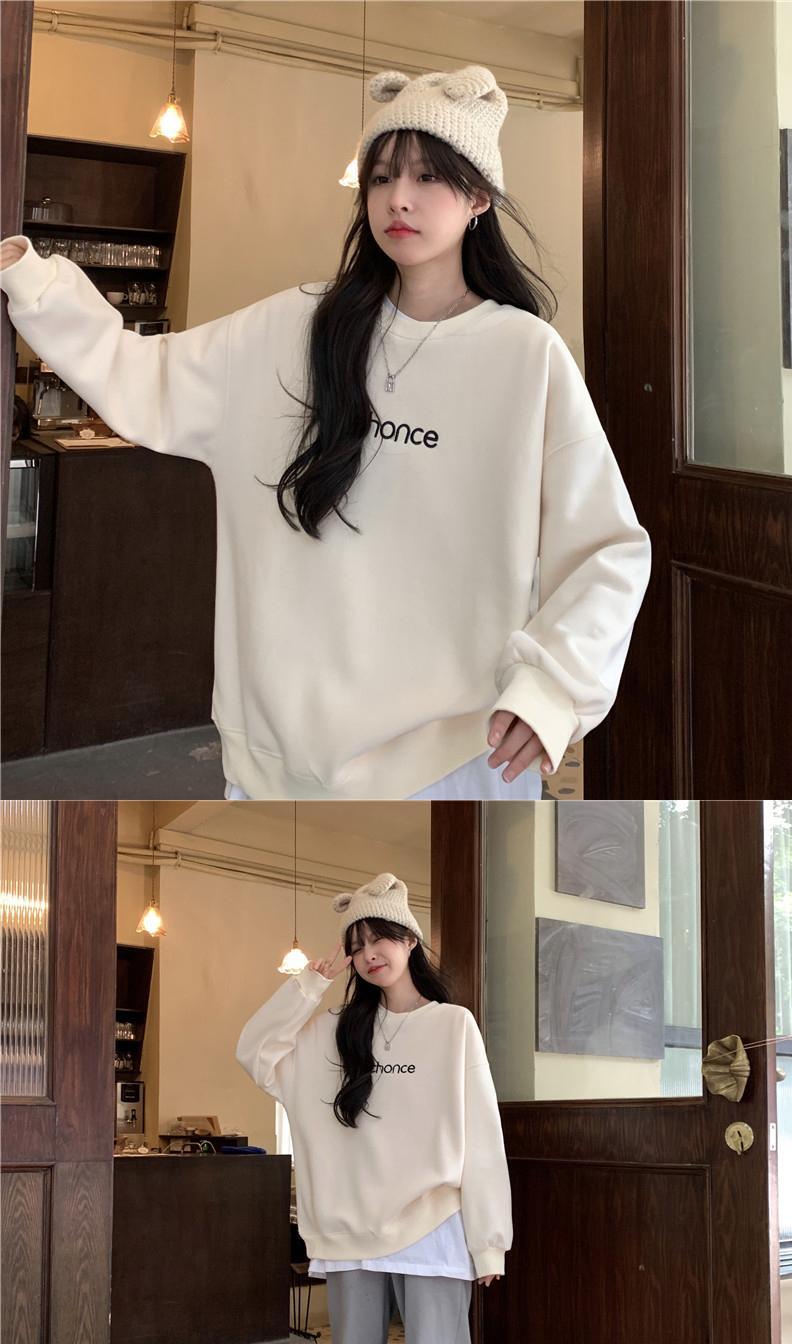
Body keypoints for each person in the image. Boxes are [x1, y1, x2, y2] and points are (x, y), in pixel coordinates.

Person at [0, 63, 651, 804]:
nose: (398, 198)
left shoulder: (526, 357)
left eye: (428, 177)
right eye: (381, 177)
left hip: (456, 755)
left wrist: (554, 688)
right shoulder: (295, 327)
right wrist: (33, 281)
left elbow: (606, 547)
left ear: (479, 198)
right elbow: (142, 376)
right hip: (279, 758)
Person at [235, 871, 512, 1344]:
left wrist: (488, 1237)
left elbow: (482, 1135)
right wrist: (310, 982)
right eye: (357, 943)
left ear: (411, 940)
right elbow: (254, 1049)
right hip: (350, 1230)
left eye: (383, 936)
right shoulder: (332, 1032)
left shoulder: (452, 1026)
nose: (370, 953)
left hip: (433, 1224)